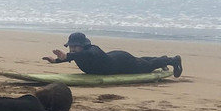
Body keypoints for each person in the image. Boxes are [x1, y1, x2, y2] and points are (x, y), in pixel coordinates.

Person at [44, 32, 182, 77]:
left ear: (83, 45)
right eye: (70, 47)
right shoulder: (76, 54)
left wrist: (66, 57)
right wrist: (56, 61)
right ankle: (162, 59)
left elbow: (84, 56)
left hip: (123, 62)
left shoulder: (93, 50)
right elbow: (73, 56)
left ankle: (173, 60)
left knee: (147, 66)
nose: (72, 50)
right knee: (141, 60)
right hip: (115, 57)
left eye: (74, 46)